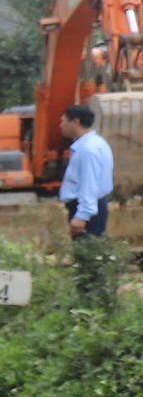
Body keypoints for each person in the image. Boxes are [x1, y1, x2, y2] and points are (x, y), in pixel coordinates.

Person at [61, 102, 116, 304]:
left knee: (88, 259)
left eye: (63, 121)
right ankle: (93, 302)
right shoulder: (95, 144)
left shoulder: (88, 150)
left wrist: (81, 216)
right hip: (93, 206)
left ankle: (91, 305)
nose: (60, 125)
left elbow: (89, 186)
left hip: (87, 208)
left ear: (75, 122)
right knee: (89, 258)